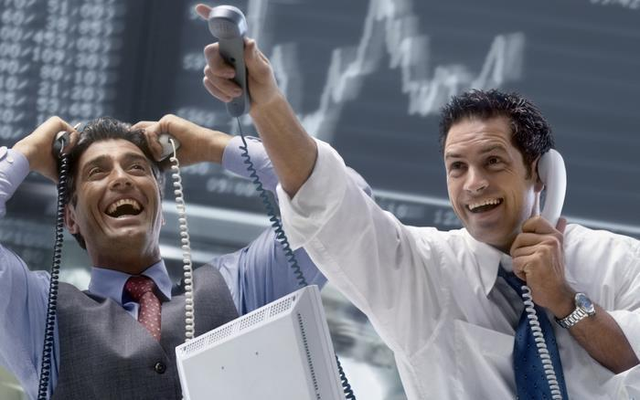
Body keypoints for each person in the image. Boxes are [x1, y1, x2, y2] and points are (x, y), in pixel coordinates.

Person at [197, 4, 640, 398]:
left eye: (493, 161)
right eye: (457, 167)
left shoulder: (621, 263)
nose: (474, 184)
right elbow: (327, 198)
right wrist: (267, 103)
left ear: (540, 173)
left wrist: (564, 301)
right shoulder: (424, 269)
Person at [0, 114, 371, 399]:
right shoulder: (41, 314)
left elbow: (343, 203)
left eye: (136, 167)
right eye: (97, 172)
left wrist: (215, 146)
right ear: (70, 218)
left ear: (161, 210)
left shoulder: (239, 284)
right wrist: (26, 154)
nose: (121, 179)